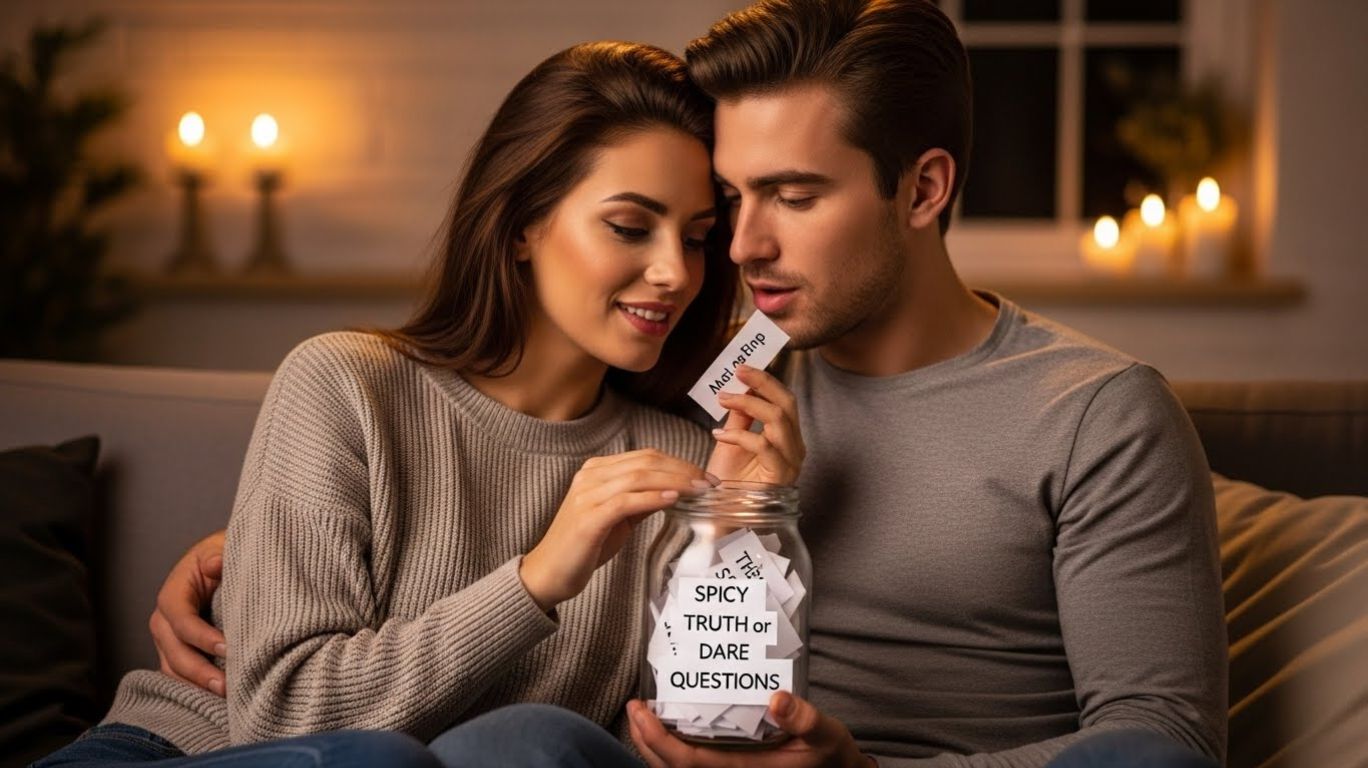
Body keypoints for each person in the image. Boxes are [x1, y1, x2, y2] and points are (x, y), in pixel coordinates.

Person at [152, 1, 1231, 766]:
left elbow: (1163, 740)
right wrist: (250, 553)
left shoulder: (1094, 411)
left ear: (923, 190)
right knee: (523, 743)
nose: (736, 252)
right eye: (732, 203)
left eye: (792, 197)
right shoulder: (712, 382)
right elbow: (517, 464)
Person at [31, 40, 805, 768]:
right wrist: (535, 579)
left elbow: (680, 739)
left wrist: (736, 530)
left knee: (528, 741)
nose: (675, 272)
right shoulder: (345, 385)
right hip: (181, 752)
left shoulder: (682, 464)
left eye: (697, 238)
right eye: (630, 227)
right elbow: (285, 716)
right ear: (522, 226)